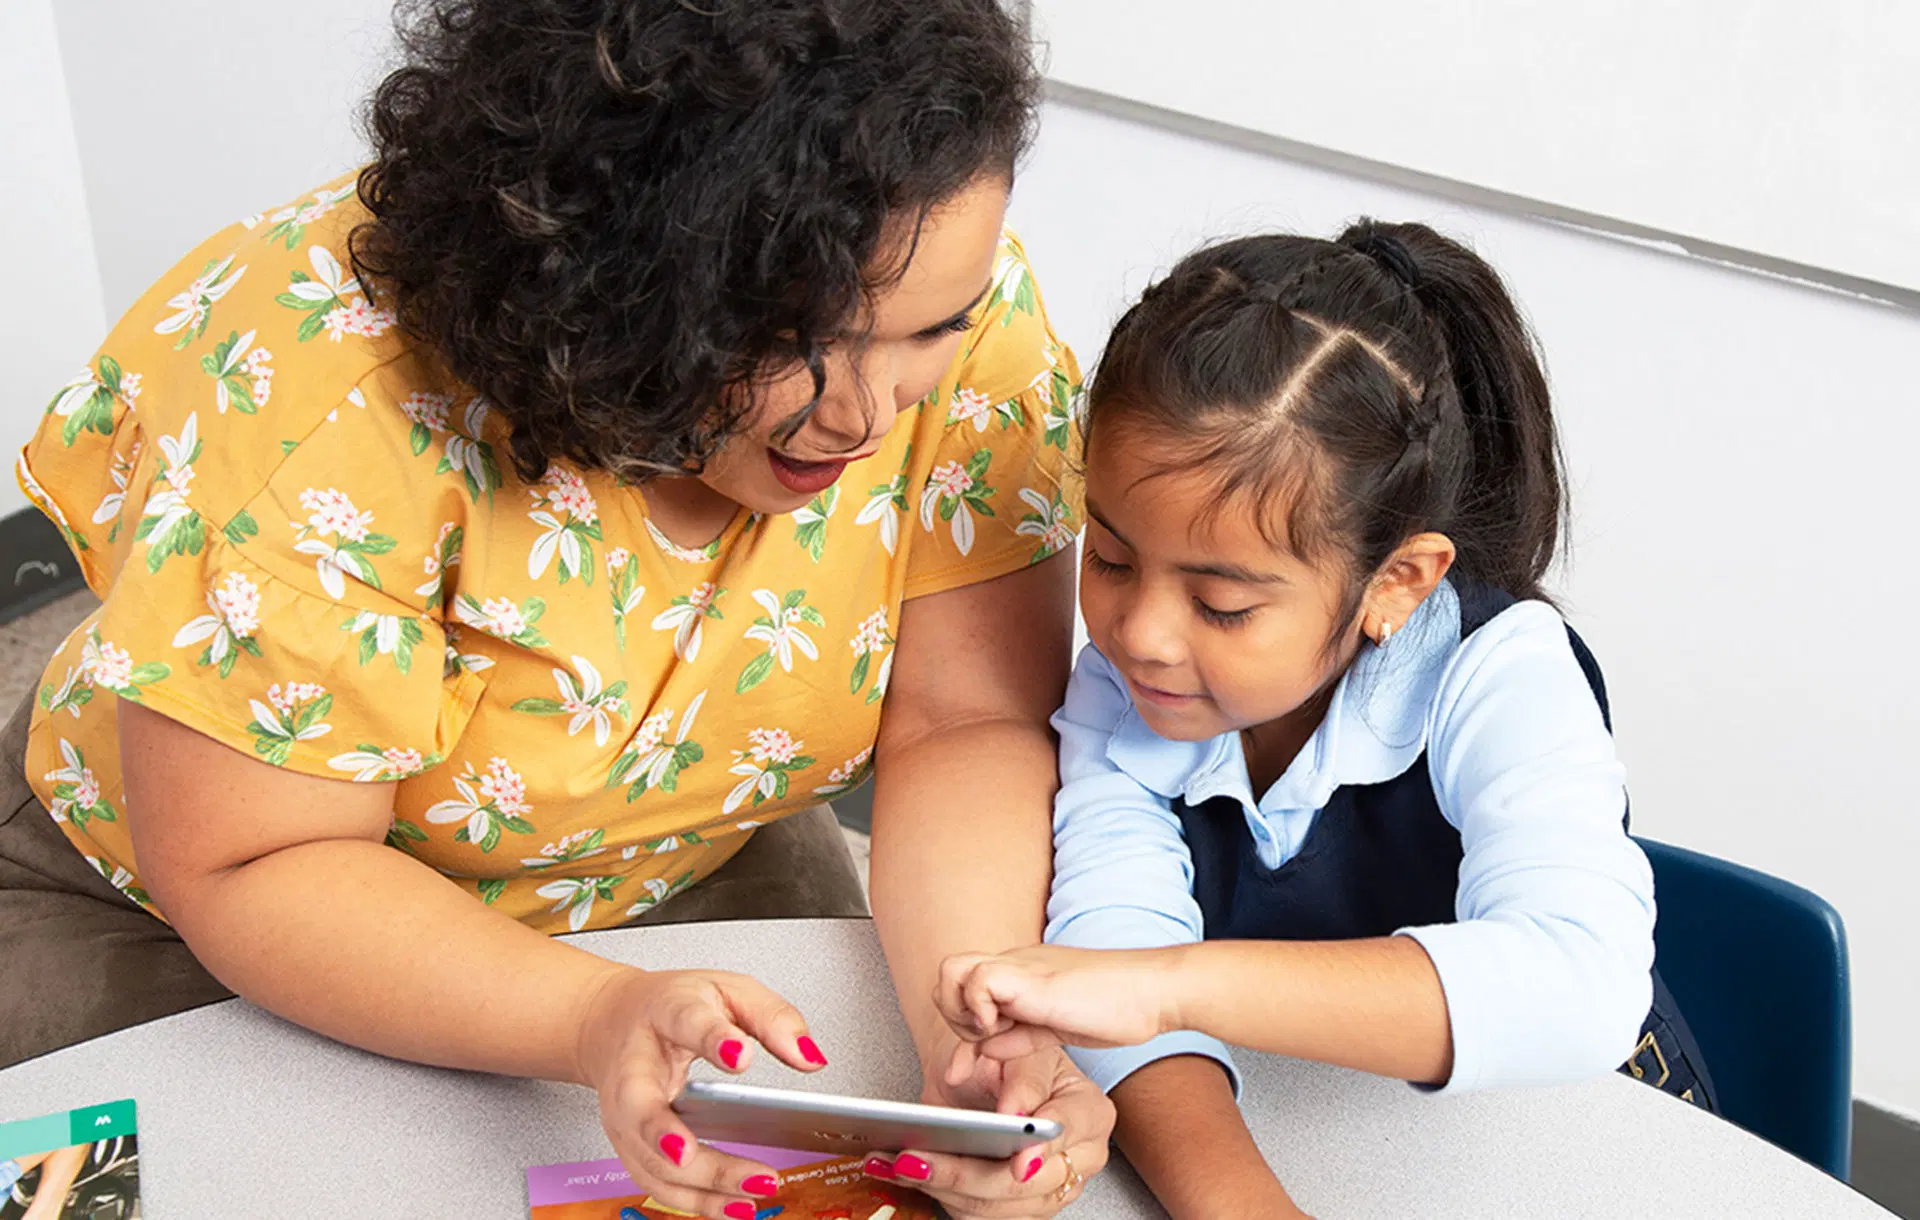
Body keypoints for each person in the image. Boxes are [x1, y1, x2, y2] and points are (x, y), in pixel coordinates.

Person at [1, 3, 1114, 1217]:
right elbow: (261, 857)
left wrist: (978, 1018)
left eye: (928, 331)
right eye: (793, 339)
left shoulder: (951, 303)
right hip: (195, 893)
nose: (866, 415)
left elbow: (964, 722)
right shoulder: (323, 390)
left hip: (685, 841)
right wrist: (588, 1013)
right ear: (607, 275)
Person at [933, 222, 1713, 1217]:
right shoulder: (1123, 685)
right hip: (1327, 1141)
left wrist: (1167, 986)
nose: (1140, 633)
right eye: (1114, 557)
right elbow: (1114, 945)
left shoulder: (1502, 671)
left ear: (1397, 582)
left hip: (1575, 1143)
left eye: (1222, 604)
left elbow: (1577, 983)